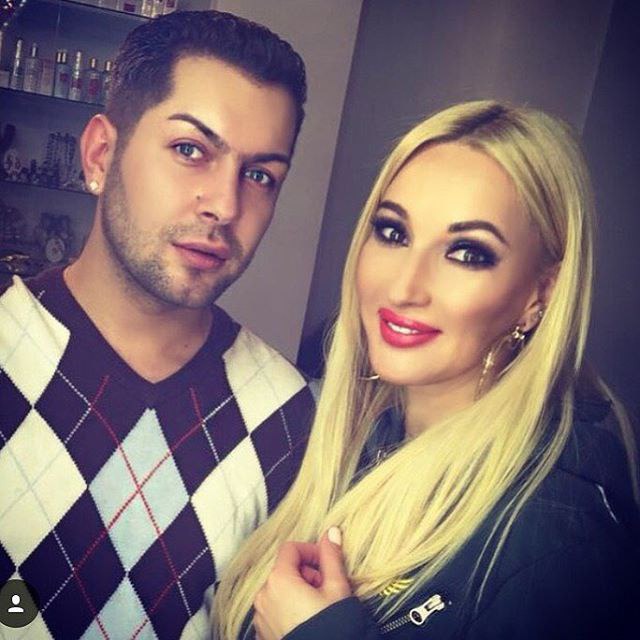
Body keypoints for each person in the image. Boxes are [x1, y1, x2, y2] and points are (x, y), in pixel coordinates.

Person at [213, 100, 640, 639]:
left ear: (540, 293)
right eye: (393, 233)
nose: (404, 287)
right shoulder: (351, 437)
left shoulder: (558, 538)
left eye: (467, 253)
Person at [0, 10, 315, 639]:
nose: (225, 205)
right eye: (190, 150)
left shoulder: (287, 417)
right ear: (100, 154)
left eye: (260, 175)